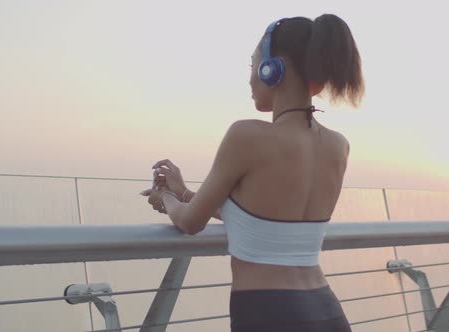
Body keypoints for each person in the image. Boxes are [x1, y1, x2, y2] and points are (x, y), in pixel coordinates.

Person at [141, 13, 363, 332]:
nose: (249, 79)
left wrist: (165, 197)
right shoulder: (338, 146)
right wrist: (185, 193)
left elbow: (190, 222)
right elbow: (264, 220)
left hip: (269, 313)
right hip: (326, 311)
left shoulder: (247, 136)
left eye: (253, 65)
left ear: (273, 69)